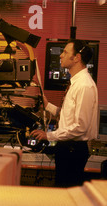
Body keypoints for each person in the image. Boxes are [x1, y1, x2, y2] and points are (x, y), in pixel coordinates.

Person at [31, 39, 98, 188]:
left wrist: (48, 135)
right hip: (67, 149)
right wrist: (47, 106)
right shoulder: (76, 83)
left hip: (72, 151)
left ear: (77, 58)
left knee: (66, 197)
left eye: (65, 52)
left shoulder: (84, 86)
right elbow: (68, 116)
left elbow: (80, 127)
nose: (61, 55)